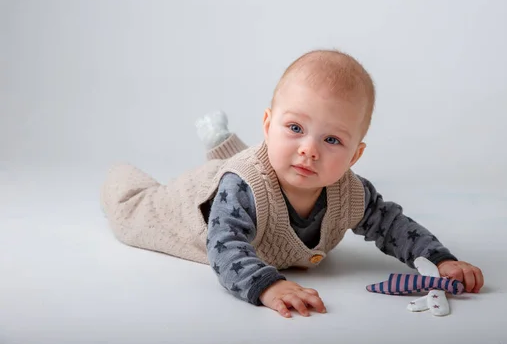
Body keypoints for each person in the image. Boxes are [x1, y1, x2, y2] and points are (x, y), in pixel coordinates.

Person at [100, 49, 484, 319]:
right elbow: (226, 246)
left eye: (331, 140)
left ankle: (223, 146)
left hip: (252, 176)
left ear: (354, 156)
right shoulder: (243, 189)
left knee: (251, 168)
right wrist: (267, 286)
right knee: (134, 209)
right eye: (295, 128)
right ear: (268, 125)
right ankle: (122, 173)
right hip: (190, 207)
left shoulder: (351, 193)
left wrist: (439, 259)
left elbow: (392, 225)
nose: (309, 150)